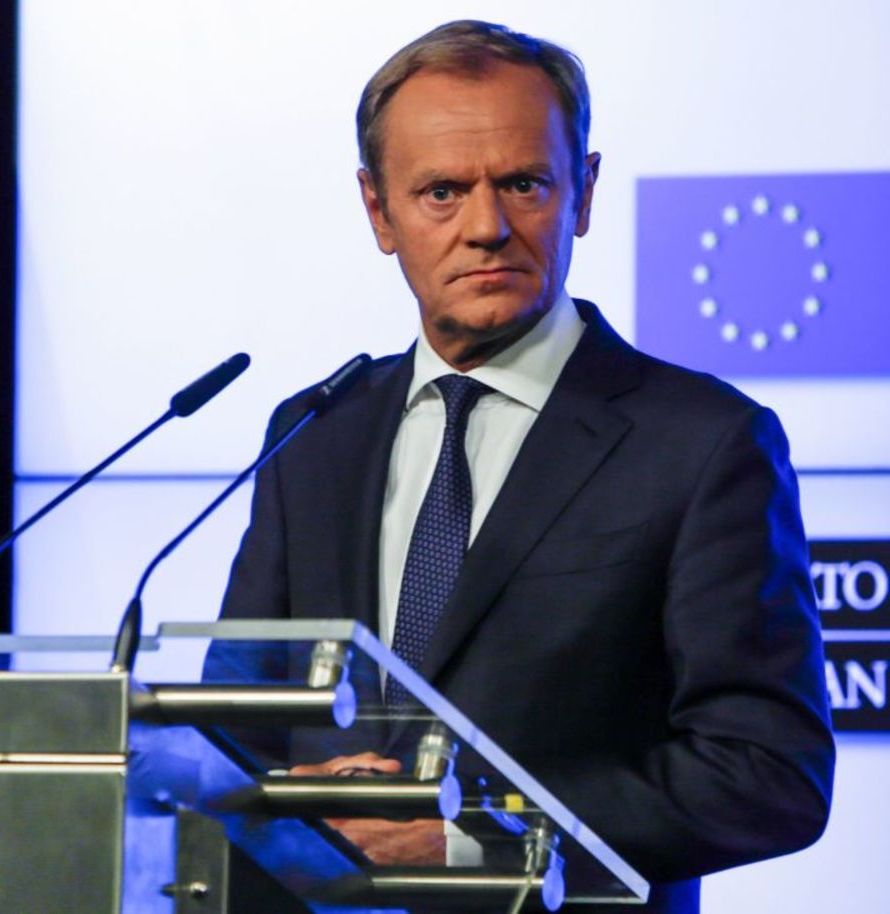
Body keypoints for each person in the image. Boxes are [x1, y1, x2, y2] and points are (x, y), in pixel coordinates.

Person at [215, 19, 834, 913]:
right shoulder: (315, 434)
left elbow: (767, 773)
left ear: (582, 193)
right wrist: (292, 790)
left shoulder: (702, 442)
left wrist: (475, 832)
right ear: (379, 211)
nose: (487, 227)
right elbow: (233, 730)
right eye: (440, 192)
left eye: (524, 184)